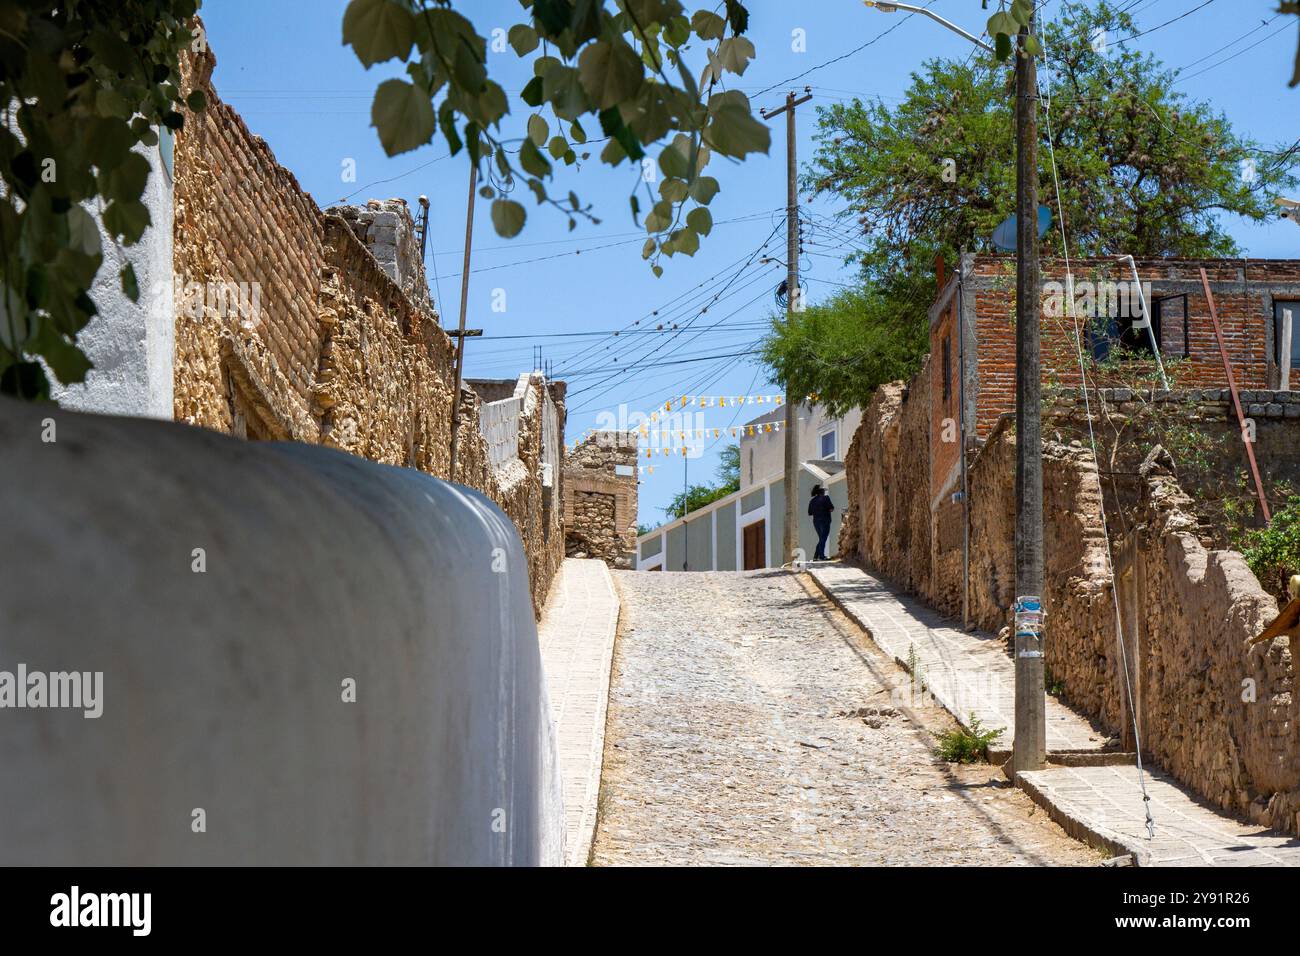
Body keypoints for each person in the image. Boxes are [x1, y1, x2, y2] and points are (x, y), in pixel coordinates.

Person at [808, 484, 835, 561]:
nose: (824, 492)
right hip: (825, 520)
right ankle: (821, 556)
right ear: (821, 492)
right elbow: (831, 508)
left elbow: (810, 513)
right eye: (824, 491)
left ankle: (815, 556)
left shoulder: (812, 501)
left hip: (816, 522)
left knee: (821, 538)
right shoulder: (826, 498)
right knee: (823, 538)